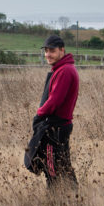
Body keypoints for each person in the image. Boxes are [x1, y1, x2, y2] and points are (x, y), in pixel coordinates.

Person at [24, 35, 79, 188]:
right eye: (46, 51)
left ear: (62, 50)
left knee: (52, 167)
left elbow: (55, 100)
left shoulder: (64, 71)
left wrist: (39, 113)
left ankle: (55, 197)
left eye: (52, 51)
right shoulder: (63, 68)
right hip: (61, 125)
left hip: (55, 127)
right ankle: (74, 194)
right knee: (64, 164)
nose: (48, 54)